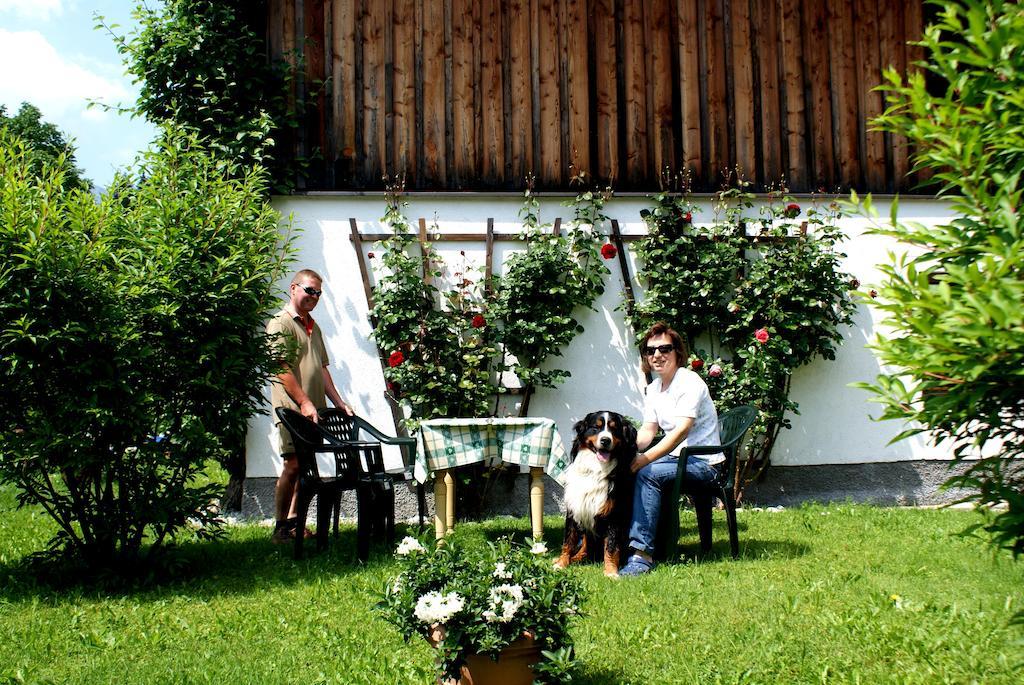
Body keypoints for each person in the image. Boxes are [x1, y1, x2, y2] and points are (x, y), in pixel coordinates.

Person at [619, 322, 722, 576]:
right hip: (677, 460)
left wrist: (643, 461)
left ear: (677, 352)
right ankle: (635, 544)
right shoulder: (654, 389)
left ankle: (641, 556)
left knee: (648, 473)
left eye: (664, 348)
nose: (657, 355)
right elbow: (648, 431)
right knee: (625, 471)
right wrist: (626, 450)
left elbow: (680, 433)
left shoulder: (689, 382)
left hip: (705, 464)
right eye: (650, 350)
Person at [267, 269, 353, 543]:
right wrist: (303, 401)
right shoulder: (280, 323)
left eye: (318, 293)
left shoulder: (313, 326)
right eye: (308, 290)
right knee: (292, 465)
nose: (313, 297)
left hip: (313, 410)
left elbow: (322, 369)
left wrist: (338, 402)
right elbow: (280, 367)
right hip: (292, 410)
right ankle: (281, 527)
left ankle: (295, 523)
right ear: (293, 288)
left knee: (305, 466)